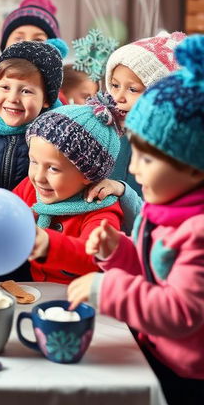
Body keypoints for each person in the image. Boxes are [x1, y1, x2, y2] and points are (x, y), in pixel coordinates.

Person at [68, 35, 204, 405]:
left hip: (188, 376)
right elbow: (151, 271)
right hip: (153, 353)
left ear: (192, 168)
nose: (131, 167)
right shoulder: (161, 213)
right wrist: (118, 253)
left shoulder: (197, 232)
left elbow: (179, 312)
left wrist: (107, 290)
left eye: (147, 159)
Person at [15, 93, 137, 284]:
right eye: (34, 162)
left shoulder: (100, 207)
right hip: (36, 290)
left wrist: (49, 244)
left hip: (80, 300)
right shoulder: (31, 188)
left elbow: (93, 257)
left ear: (88, 175)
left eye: (53, 168)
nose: (38, 177)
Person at [0, 39, 66, 191]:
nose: (13, 99)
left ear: (46, 99)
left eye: (26, 91)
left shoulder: (56, 134)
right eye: (5, 87)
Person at [105, 31, 185, 196]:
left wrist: (123, 192)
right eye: (114, 85)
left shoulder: (169, 145)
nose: (118, 97)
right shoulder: (106, 127)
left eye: (132, 89)